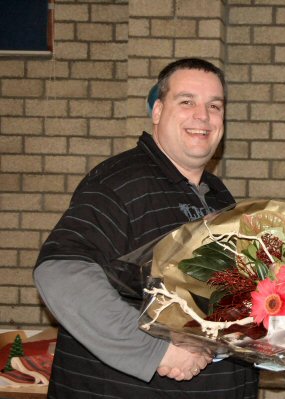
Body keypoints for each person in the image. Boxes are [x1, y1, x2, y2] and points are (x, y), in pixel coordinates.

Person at [34, 58, 259, 398]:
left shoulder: (218, 196)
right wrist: (155, 351)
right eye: (187, 102)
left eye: (214, 105)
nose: (203, 116)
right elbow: (61, 273)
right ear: (157, 111)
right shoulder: (120, 181)